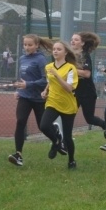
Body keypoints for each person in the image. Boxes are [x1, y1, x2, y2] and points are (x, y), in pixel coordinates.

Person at [8, 34, 50, 166]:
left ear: (37, 45)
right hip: (25, 96)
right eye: (25, 44)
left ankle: (57, 138)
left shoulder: (41, 59)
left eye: (30, 45)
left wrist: (28, 84)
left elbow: (45, 80)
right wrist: (19, 90)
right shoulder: (22, 59)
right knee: (20, 121)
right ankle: (18, 155)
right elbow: (22, 78)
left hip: (38, 98)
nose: (27, 47)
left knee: (43, 126)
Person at [39, 40, 79, 169]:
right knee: (44, 125)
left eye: (59, 49)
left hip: (68, 105)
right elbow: (50, 82)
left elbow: (69, 88)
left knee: (68, 137)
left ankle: (71, 160)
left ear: (65, 52)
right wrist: (45, 91)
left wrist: (57, 75)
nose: (55, 51)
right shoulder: (48, 67)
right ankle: (56, 141)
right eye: (54, 49)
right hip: (53, 101)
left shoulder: (71, 68)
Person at [70, 32, 106, 133]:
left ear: (82, 43)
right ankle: (66, 138)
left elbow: (87, 74)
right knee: (69, 115)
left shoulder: (85, 56)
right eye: (72, 39)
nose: (72, 41)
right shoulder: (69, 56)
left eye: (76, 39)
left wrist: (71, 69)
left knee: (89, 119)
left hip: (87, 93)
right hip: (74, 92)